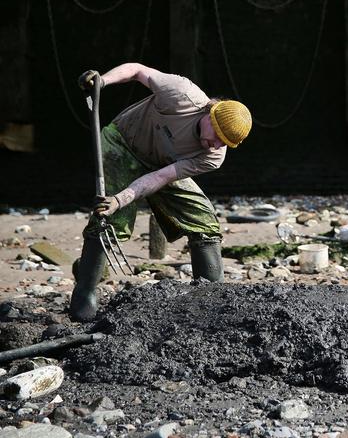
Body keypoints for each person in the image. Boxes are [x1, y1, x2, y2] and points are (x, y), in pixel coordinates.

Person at [69, 63, 252, 321]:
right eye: (218, 136)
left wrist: (122, 198)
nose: (217, 145)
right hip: (122, 143)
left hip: (162, 165)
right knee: (112, 220)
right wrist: (104, 82)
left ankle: (210, 302)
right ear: (210, 116)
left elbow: (161, 177)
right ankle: (84, 297)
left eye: (225, 143)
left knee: (204, 221)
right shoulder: (180, 94)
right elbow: (136, 70)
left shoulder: (213, 155)